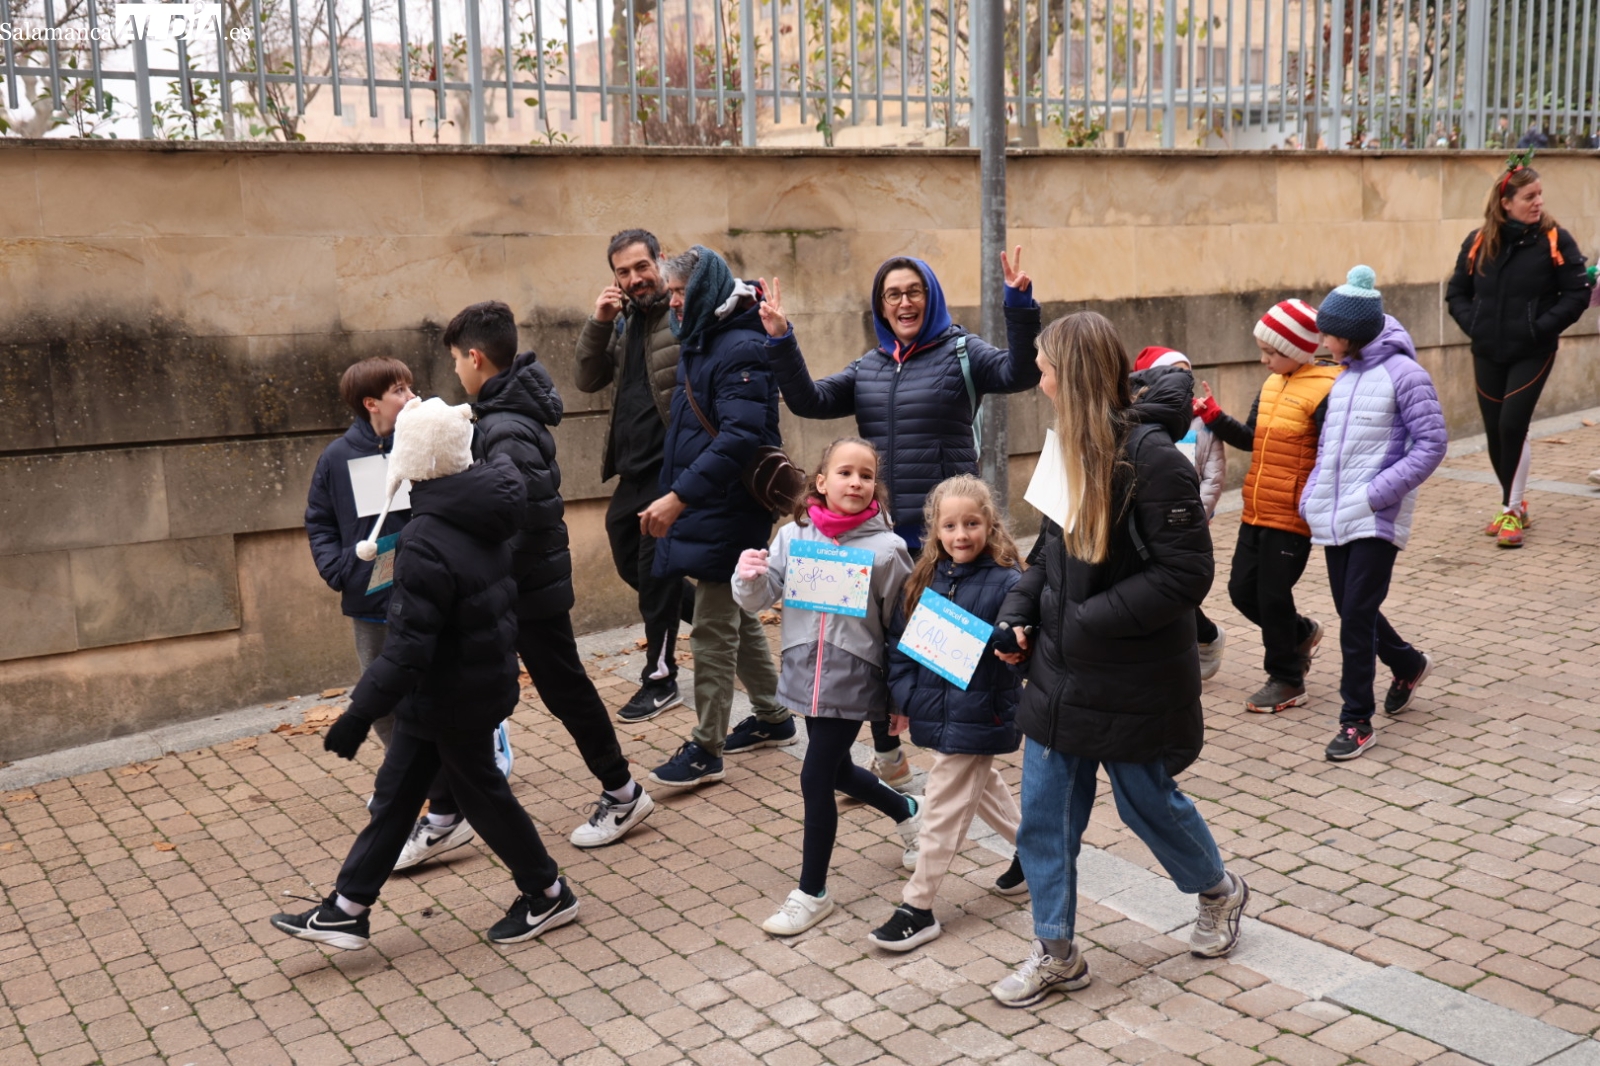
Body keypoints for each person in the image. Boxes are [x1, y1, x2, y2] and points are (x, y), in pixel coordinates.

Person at [990, 312, 1248, 1007]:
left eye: (1043, 366)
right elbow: (1047, 554)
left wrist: (1087, 621)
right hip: (1057, 678)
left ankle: (1219, 894)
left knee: (1148, 806)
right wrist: (1018, 615)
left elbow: (1186, 574)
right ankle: (1056, 951)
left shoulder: (1155, 457)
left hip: (1131, 679)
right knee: (1045, 818)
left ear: (1069, 374)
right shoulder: (1063, 451)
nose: (1035, 377)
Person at [270, 397, 578, 951]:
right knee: (398, 792)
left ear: (410, 461)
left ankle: (548, 893)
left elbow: (408, 648)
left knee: (481, 793)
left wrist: (358, 714)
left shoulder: (426, 539)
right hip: (456, 686)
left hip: (451, 694)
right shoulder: (482, 506)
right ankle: (347, 907)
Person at [763, 251, 1042, 789]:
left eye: (913, 290)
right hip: (884, 538)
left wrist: (1018, 304)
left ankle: (957, 773)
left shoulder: (961, 352)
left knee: (948, 658)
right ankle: (891, 760)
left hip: (949, 539)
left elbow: (1019, 371)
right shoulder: (868, 367)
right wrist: (780, 338)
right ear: (881, 306)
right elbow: (808, 400)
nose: (904, 301)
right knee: (883, 647)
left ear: (930, 296)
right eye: (892, 294)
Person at [437, 301, 655, 853]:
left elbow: (523, 518)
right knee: (487, 692)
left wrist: (486, 578)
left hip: (524, 588)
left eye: (456, 361)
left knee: (561, 690)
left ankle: (622, 792)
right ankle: (446, 808)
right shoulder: (499, 414)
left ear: (476, 357)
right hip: (521, 585)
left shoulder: (504, 426)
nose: (455, 372)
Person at [731, 438, 920, 936]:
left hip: (856, 679)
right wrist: (747, 577)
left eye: (865, 475)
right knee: (834, 771)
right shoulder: (793, 537)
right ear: (821, 481)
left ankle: (812, 892)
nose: (855, 482)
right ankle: (907, 810)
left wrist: (898, 700)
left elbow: (901, 627)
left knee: (815, 778)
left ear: (874, 486)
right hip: (802, 675)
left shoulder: (889, 550)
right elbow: (758, 597)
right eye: (844, 473)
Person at [642, 246, 793, 788]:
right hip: (710, 503)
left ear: (704, 289)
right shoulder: (703, 337)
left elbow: (740, 437)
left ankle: (706, 747)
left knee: (710, 628)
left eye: (681, 293)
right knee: (733, 610)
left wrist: (679, 496)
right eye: (672, 295)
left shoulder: (741, 345)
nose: (675, 304)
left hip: (729, 507)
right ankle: (774, 716)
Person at [868, 475, 1027, 953]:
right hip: (937, 710)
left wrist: (1012, 641)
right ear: (935, 530)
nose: (962, 535)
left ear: (990, 524)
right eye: (951, 525)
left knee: (941, 802)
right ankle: (1035, 855)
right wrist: (906, 699)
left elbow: (1021, 638)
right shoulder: (923, 581)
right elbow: (900, 648)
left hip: (984, 712)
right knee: (981, 785)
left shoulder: (1009, 582)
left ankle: (917, 907)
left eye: (972, 524)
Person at [1302, 268, 1448, 761]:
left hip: (1376, 515)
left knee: (1355, 616)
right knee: (1351, 608)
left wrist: (1376, 494)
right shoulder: (1343, 378)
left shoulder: (1405, 374)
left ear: (1352, 334)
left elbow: (1431, 444)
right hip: (1337, 512)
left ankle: (1356, 721)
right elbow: (1329, 449)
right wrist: (1312, 497)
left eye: (1329, 332)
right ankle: (1408, 664)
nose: (1323, 339)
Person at [1191, 301, 1342, 713]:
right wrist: (1216, 416)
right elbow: (1253, 438)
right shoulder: (1273, 384)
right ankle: (1301, 632)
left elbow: (1335, 454)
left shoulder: (1329, 388)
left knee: (1273, 595)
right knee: (1242, 591)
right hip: (1257, 508)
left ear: (1298, 348)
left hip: (1293, 515)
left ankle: (1287, 678)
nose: (1263, 360)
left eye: (1271, 352)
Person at [574, 229, 695, 723]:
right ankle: (719, 620)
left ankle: (660, 677)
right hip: (632, 467)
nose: (634, 278)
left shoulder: (682, 313)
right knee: (631, 562)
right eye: (622, 271)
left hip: (669, 465)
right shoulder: (623, 321)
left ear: (660, 260)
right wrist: (599, 322)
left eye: (641, 267)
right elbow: (587, 378)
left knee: (657, 571)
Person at [1445, 156, 1592, 547]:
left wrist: (1539, 327)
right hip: (1487, 349)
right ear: (1505, 202)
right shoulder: (1479, 241)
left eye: (1540, 195)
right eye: (1529, 196)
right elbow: (1457, 291)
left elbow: (1577, 293)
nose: (1538, 202)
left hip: (1533, 349)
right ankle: (1515, 502)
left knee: (1512, 425)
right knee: (1495, 431)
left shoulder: (1555, 239)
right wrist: (1473, 323)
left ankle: (1510, 511)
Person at [305, 357, 417, 749]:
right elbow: (319, 520)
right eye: (399, 390)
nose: (411, 396)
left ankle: (470, 755)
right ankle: (402, 769)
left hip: (425, 589)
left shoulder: (421, 444)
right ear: (371, 403)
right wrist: (340, 569)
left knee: (438, 681)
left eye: (409, 387)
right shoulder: (337, 457)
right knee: (379, 693)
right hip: (369, 593)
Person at [1134, 347, 1227, 680]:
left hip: (1188, 521)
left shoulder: (1203, 423)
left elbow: (1214, 474)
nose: (1182, 384)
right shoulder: (1140, 426)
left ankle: (1205, 637)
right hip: (1149, 520)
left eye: (1186, 376)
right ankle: (1199, 637)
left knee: (1174, 584)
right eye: (1173, 375)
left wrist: (1196, 512)